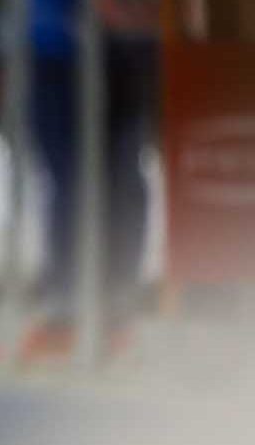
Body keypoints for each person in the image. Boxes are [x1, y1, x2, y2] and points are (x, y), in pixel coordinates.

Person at [21, 0, 162, 364]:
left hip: (126, 47)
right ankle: (67, 312)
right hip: (63, 49)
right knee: (73, 183)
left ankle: (112, 313)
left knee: (120, 181)